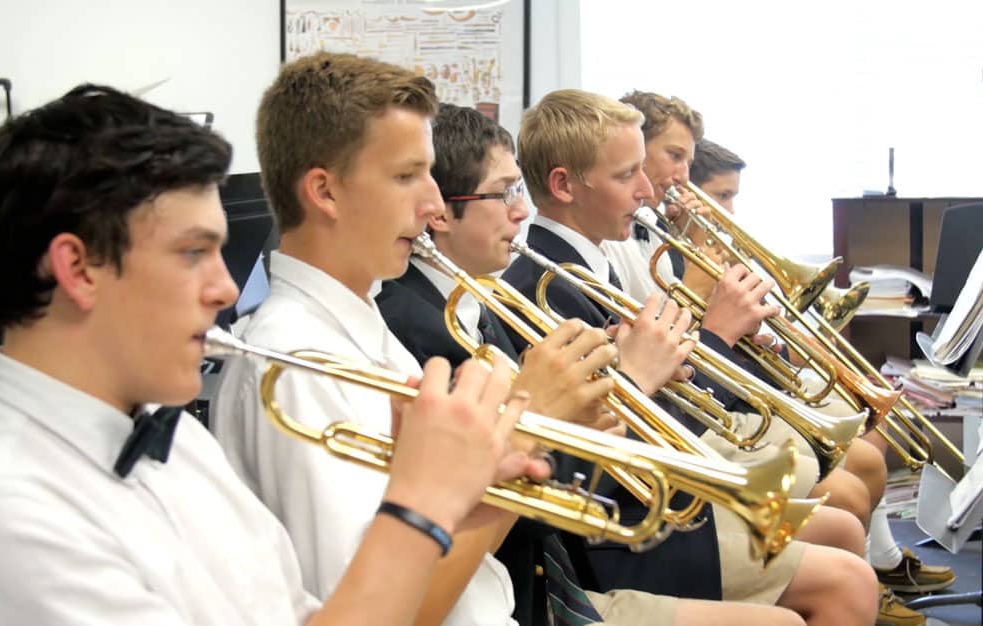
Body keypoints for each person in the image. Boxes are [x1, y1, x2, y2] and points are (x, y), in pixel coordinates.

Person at [0, 83, 544, 626]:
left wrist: (466, 496)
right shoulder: (11, 509)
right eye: (192, 253)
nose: (227, 289)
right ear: (79, 269)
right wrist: (421, 506)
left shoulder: (180, 441)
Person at [211, 52, 570, 626]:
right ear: (326, 193)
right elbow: (380, 609)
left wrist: (505, 465)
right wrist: (526, 433)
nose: (432, 203)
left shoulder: (360, 324)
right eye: (407, 176)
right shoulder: (298, 362)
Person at [501, 88, 879, 626]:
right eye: (626, 175)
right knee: (846, 570)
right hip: (617, 537)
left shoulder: (592, 266)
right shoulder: (550, 285)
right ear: (564, 186)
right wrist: (709, 341)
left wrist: (705, 348)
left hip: (648, 503)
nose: (647, 189)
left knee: (840, 528)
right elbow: (609, 455)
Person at [688, 138, 955, 625]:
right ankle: (866, 577)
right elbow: (693, 354)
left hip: (732, 390)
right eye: (722, 195)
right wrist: (728, 334)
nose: (730, 210)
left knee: (869, 418)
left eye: (732, 196)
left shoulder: (694, 245)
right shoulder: (664, 252)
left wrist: (757, 340)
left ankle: (880, 562)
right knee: (854, 478)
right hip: (716, 415)